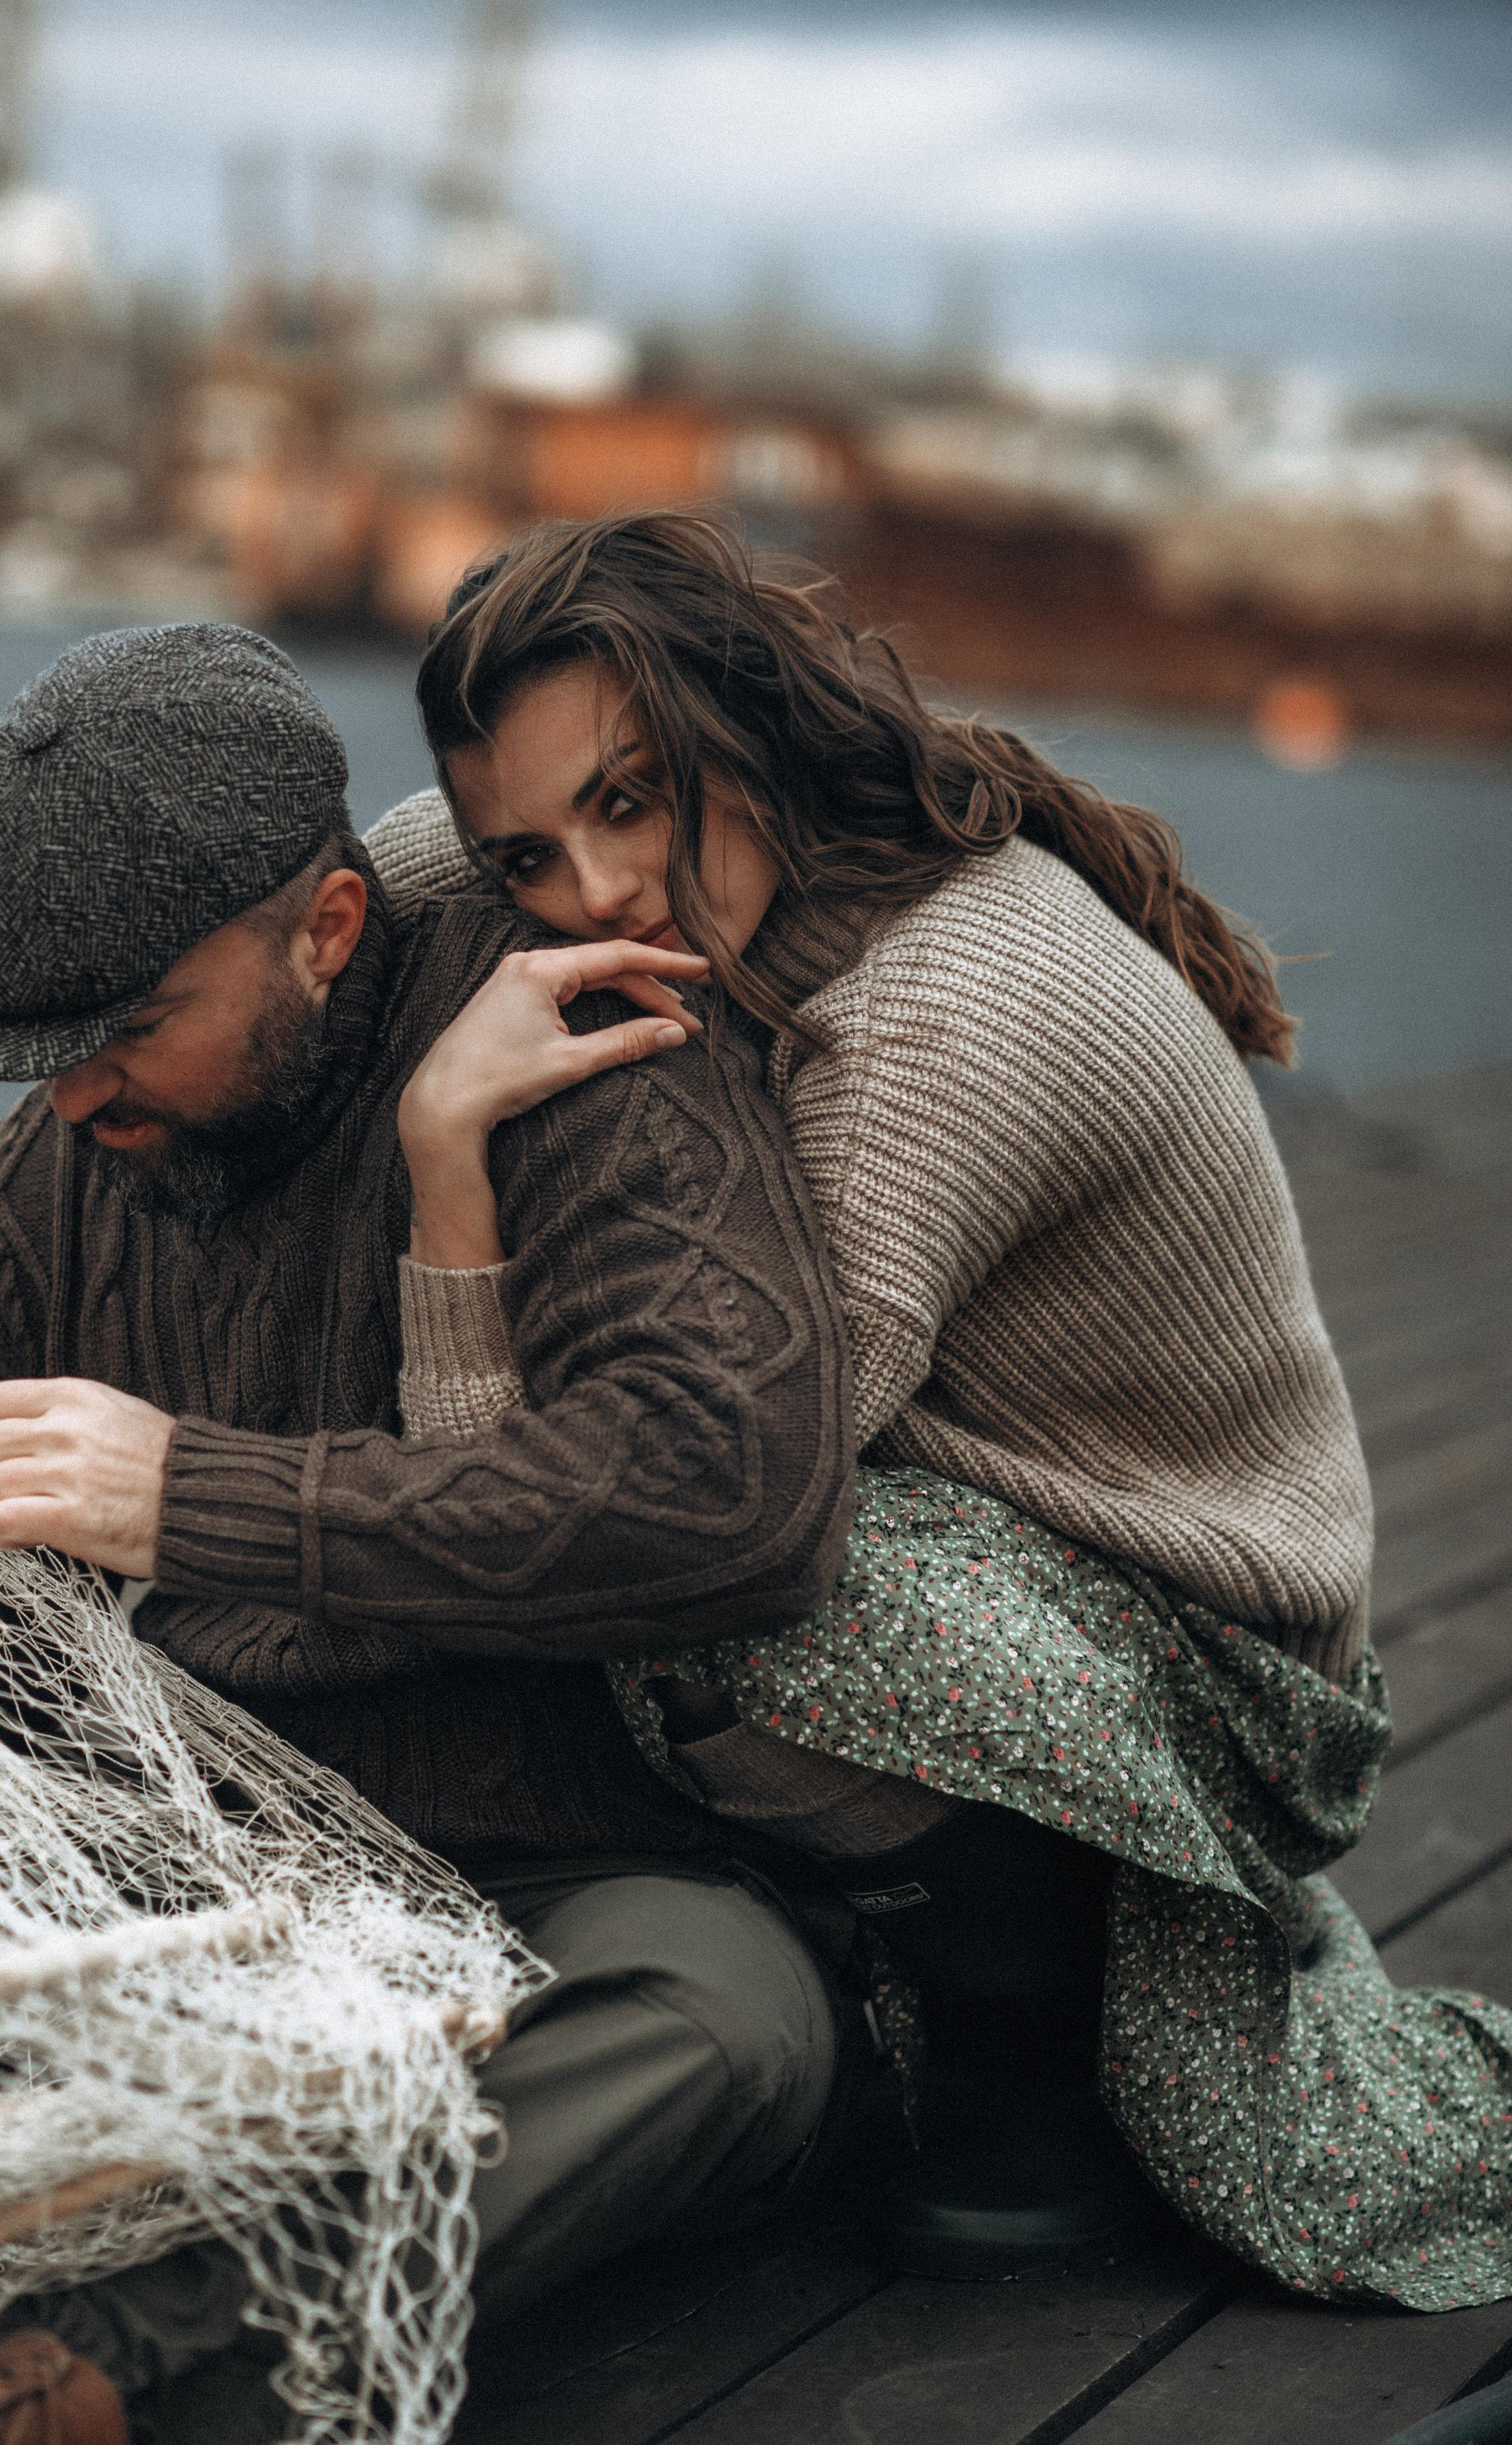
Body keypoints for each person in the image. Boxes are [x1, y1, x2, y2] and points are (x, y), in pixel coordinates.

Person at [0, 620, 860, 2445]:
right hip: (182, 1869)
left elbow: (737, 1495)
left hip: (565, 1870)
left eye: (127, 1027)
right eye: (26, 1056)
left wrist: (204, 1494)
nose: (73, 1094)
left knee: (732, 2031)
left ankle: (24, 2405)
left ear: (332, 925)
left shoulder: (578, 1049)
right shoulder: (22, 1199)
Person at [367, 509, 1512, 2310]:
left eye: (634, 799)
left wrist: (447, 1165)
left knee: (735, 1615)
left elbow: (657, 1531)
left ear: (745, 730)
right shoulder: (737, 861)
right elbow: (399, 873)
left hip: (1227, 1670)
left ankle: (1019, 2014)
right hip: (1019, 1541)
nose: (592, 898)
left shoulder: (936, 1021)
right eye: (537, 848)